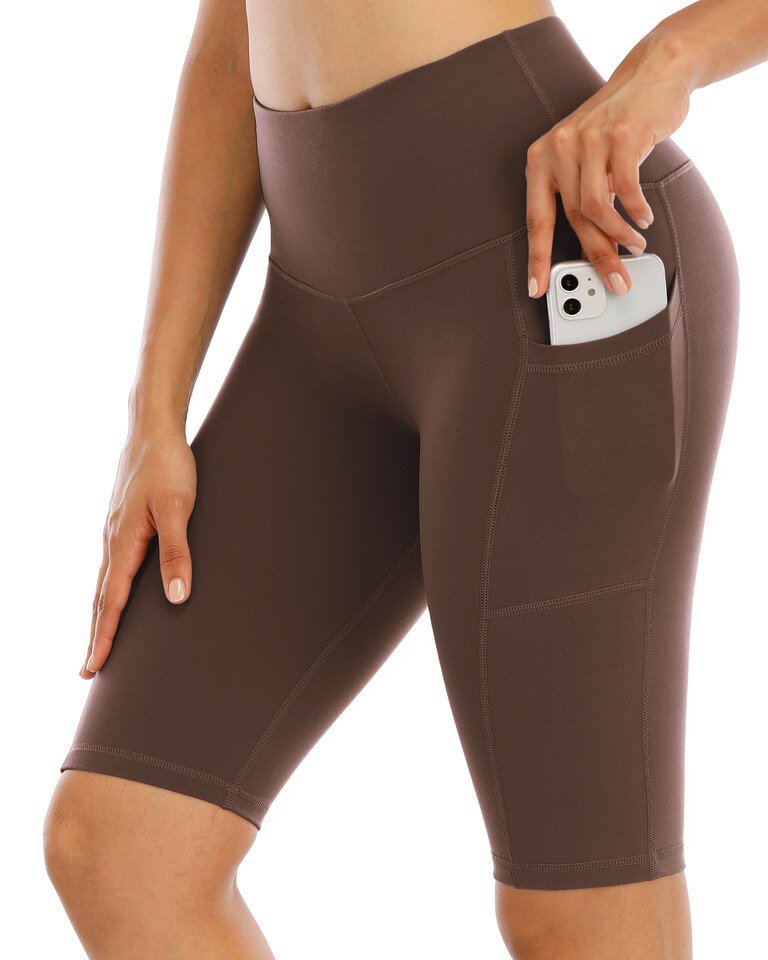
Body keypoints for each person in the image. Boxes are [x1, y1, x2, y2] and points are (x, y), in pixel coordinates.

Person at [43, 1, 767, 957]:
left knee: (571, 910)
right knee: (122, 847)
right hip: (314, 318)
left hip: (555, 265)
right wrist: (155, 409)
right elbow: (233, 31)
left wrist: (670, 60)